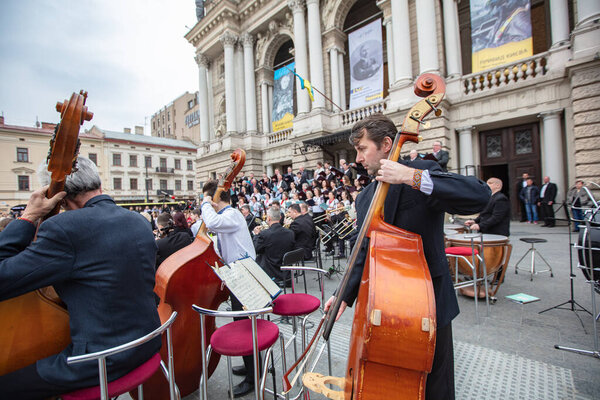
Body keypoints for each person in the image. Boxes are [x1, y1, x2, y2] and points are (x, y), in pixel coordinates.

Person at [324, 114, 490, 400]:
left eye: (362, 149)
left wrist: (409, 177)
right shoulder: (365, 197)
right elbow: (364, 251)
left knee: (436, 388)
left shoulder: (420, 172)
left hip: (428, 305)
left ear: (386, 144)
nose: (358, 158)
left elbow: (479, 195)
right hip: (384, 307)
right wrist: (344, 295)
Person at [0, 157, 161, 399]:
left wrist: (28, 216)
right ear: (97, 183)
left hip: (101, 358)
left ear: (59, 196)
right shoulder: (137, 220)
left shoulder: (64, 228)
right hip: (147, 342)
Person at [200, 180, 257, 397]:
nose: (205, 202)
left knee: (245, 326)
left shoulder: (231, 215)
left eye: (208, 198)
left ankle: (254, 376)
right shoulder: (227, 218)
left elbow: (212, 223)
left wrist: (206, 202)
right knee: (242, 323)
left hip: (244, 273)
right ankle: (251, 364)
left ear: (215, 199)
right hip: (237, 272)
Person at [252, 207, 295, 285]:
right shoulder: (290, 233)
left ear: (268, 218)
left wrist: (256, 235)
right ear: (280, 218)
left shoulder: (265, 234)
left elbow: (255, 249)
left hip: (271, 272)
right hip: (286, 272)